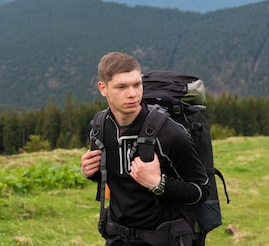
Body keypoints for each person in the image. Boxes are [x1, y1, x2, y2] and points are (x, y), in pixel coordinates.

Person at [81, 52, 209, 245]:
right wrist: (91, 172)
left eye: (137, 84)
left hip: (164, 239)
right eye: (121, 87)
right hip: (117, 237)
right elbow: (119, 179)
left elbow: (201, 190)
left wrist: (158, 183)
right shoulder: (98, 128)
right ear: (103, 88)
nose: (132, 94)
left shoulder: (170, 134)